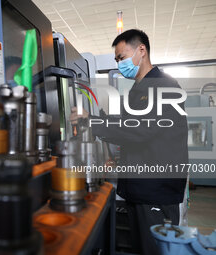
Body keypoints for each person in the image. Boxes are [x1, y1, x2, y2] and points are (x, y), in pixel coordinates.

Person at [70, 29, 188, 255]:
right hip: (140, 188)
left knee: (153, 250)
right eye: (116, 60)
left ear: (141, 50)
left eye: (122, 57)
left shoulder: (164, 86)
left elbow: (140, 130)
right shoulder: (139, 89)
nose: (119, 64)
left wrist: (93, 122)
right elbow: (132, 130)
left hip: (156, 192)